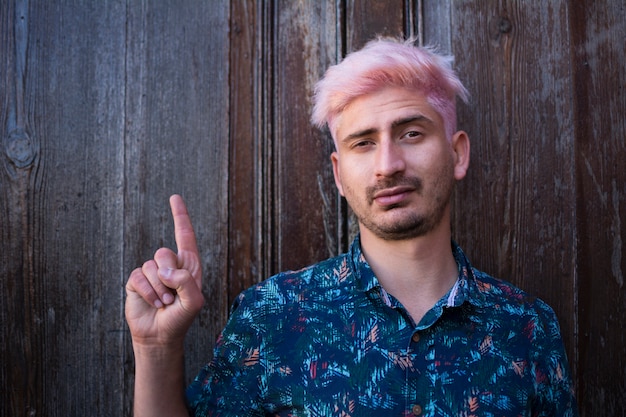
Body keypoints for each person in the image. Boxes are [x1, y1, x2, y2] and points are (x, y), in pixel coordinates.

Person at [125, 37, 578, 416]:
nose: (388, 165)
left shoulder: (527, 328)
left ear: (457, 153)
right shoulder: (273, 316)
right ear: (340, 175)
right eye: (364, 143)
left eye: (411, 133)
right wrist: (155, 349)